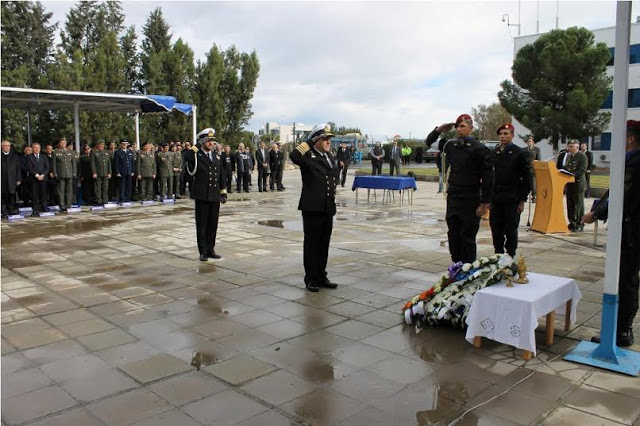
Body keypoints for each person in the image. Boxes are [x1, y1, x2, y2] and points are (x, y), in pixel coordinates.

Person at [582, 119, 640, 347]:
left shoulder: (635, 162)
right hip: (628, 227)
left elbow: (622, 196)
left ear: (631, 138)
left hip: (632, 231)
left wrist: (595, 214)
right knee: (625, 277)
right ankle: (620, 329)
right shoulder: (630, 160)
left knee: (626, 279)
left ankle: (623, 331)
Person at [426, 114, 493, 263]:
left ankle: (468, 269)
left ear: (471, 128)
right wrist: (438, 130)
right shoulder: (451, 145)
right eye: (457, 126)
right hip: (454, 197)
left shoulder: (479, 149)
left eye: (462, 126)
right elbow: (429, 142)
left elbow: (488, 178)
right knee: (453, 234)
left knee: (467, 237)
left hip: (471, 198)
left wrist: (484, 204)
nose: (458, 129)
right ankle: (456, 266)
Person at [290, 123, 340, 292]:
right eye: (325, 138)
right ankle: (310, 278)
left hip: (327, 207)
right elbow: (294, 155)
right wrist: (309, 142)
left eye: (329, 139)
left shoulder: (330, 157)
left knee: (324, 243)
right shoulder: (308, 156)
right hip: (312, 207)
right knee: (312, 244)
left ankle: (321, 275)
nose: (328, 142)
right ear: (317, 140)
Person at [184, 128, 227, 261]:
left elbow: (221, 175)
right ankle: (203, 251)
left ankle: (210, 249)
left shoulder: (216, 156)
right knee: (202, 225)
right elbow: (186, 156)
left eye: (212, 141)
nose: (211, 143)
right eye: (208, 141)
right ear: (202, 141)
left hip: (214, 195)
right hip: (202, 195)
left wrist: (223, 191)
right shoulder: (196, 155)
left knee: (213, 224)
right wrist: (197, 145)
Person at [490, 124, 532, 258]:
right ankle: (498, 255)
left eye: (506, 133)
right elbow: (490, 176)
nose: (502, 136)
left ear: (512, 135)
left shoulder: (519, 153)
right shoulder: (494, 152)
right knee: (496, 229)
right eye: (501, 134)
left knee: (511, 230)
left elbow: (526, 178)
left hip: (512, 198)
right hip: (496, 198)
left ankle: (510, 256)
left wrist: (522, 200)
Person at [564, 140, 588, 231]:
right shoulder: (569, 157)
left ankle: (580, 224)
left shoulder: (582, 156)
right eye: (568, 146)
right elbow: (566, 168)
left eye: (571, 147)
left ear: (577, 147)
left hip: (578, 184)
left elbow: (582, 170)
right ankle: (572, 223)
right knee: (570, 204)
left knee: (578, 205)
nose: (569, 148)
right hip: (569, 184)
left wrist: (572, 175)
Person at [51, 138, 77, 211]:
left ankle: (68, 204)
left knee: (69, 190)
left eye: (64, 143)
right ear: (59, 144)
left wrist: (74, 172)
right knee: (61, 190)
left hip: (69, 173)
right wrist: (55, 173)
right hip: (60, 174)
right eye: (62, 143)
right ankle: (62, 205)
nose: (63, 144)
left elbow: (73, 163)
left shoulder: (70, 152)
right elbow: (54, 164)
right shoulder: (55, 152)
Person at [26, 142, 50, 215]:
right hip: (34, 179)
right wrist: (37, 175)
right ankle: (35, 209)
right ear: (32, 148)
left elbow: (47, 167)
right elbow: (30, 168)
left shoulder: (44, 156)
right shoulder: (29, 157)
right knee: (34, 195)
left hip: (43, 178)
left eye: (38, 148)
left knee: (44, 194)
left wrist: (42, 175)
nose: (37, 149)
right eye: (35, 148)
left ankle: (44, 207)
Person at [1, 139, 21, 217]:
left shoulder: (14, 156)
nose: (7, 147)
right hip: (2, 180)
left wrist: (18, 179)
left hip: (12, 180)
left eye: (8, 146)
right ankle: (3, 211)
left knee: (12, 195)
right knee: (3, 195)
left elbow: (18, 168)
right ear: (1, 146)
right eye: (5, 146)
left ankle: (11, 209)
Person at [90, 140, 111, 205]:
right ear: (97, 145)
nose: (101, 146)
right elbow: (92, 163)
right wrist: (94, 172)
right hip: (98, 173)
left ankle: (105, 200)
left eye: (103, 145)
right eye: (100, 144)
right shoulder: (94, 152)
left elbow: (108, 163)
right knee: (97, 188)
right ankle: (98, 200)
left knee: (105, 187)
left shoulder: (106, 152)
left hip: (105, 172)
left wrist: (109, 172)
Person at [114, 139, 135, 203]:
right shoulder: (118, 152)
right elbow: (116, 163)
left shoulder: (129, 152)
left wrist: (132, 171)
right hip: (122, 172)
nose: (124, 145)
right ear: (121, 144)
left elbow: (132, 162)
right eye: (123, 144)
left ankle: (128, 198)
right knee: (122, 186)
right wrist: (117, 172)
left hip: (129, 171)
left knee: (128, 186)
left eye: (125, 144)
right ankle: (122, 198)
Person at [524, 137, 541, 202]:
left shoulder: (536, 149)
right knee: (525, 183)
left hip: (532, 168)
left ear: (533, 142)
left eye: (530, 141)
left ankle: (534, 197)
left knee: (533, 184)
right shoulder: (524, 149)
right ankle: (524, 197)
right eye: (528, 141)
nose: (529, 142)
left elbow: (539, 159)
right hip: (525, 168)